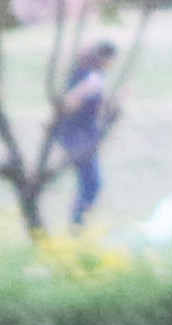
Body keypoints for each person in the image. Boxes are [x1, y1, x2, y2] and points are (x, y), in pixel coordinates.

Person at [42, 39, 119, 229]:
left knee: (91, 183)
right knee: (92, 183)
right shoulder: (88, 77)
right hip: (76, 135)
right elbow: (69, 103)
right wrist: (87, 89)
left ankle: (78, 225)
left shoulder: (91, 76)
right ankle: (76, 226)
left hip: (84, 135)